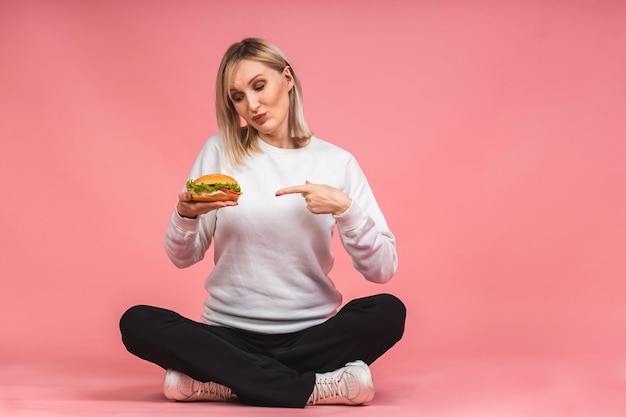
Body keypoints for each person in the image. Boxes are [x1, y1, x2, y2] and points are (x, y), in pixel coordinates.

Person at [119, 38, 406, 408]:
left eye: (259, 86)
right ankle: (315, 387)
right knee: (137, 322)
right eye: (238, 97)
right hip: (226, 335)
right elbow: (183, 257)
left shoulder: (337, 163)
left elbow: (382, 269)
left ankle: (223, 382)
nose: (251, 106)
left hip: (311, 335)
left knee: (388, 311)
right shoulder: (219, 150)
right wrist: (186, 215)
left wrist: (346, 210)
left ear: (286, 78)